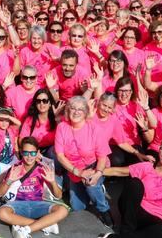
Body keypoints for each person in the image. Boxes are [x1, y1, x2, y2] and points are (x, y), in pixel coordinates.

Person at [54, 97, 113, 227]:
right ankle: (93, 191)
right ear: (68, 111)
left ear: (86, 113)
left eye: (80, 109)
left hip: (94, 166)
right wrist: (78, 172)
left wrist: (97, 173)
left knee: (91, 185)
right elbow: (60, 155)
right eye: (73, 108)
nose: (76, 112)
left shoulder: (94, 128)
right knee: (78, 207)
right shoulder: (62, 127)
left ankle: (104, 209)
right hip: (74, 170)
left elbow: (102, 156)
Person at [0, 137, 69, 238]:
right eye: (26, 153)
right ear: (21, 152)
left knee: (63, 210)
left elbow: (58, 196)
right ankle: (44, 225)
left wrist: (52, 182)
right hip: (18, 205)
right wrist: (9, 181)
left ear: (38, 152)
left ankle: (26, 229)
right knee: (2, 213)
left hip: (37, 204)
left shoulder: (43, 168)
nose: (29, 156)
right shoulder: (15, 169)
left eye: (33, 153)